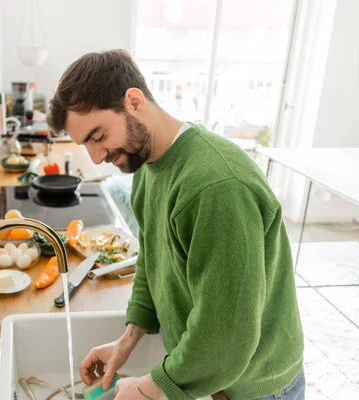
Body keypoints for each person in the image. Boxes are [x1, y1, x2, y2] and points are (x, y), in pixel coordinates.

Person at [47, 50, 305, 400]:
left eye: (98, 136)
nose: (96, 157)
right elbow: (153, 264)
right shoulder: (148, 169)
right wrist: (127, 339)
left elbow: (226, 336)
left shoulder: (215, 187)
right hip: (214, 377)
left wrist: (149, 388)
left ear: (134, 101)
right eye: (85, 145)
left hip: (256, 386)